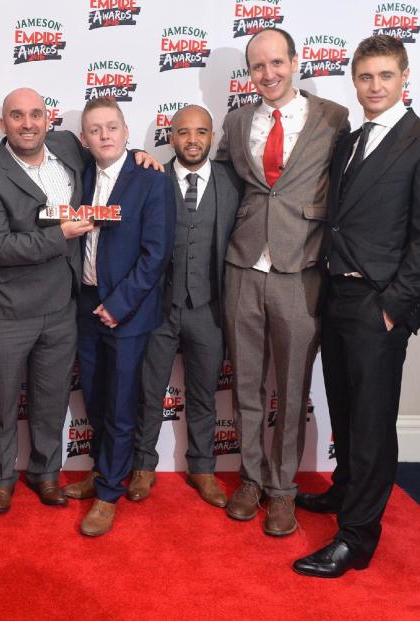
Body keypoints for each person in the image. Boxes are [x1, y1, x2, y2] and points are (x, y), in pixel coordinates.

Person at [293, 35, 420, 578]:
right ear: (355, 80)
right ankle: (345, 493)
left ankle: (357, 539)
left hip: (378, 303)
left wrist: (393, 306)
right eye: (365, 77)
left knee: (370, 422)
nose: (375, 86)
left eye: (385, 76)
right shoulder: (350, 139)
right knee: (343, 409)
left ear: (404, 76)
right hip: (336, 295)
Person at [0, 87, 160, 514]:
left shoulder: (68, 147)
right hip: (6, 313)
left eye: (36, 114)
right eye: (17, 116)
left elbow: (111, 146)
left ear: (48, 121)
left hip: (62, 309)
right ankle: (0, 480)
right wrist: (61, 235)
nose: (28, 123)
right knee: (2, 405)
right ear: (3, 125)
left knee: (51, 401)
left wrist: (143, 153)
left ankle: (45, 474)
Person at [215, 27, 350, 536]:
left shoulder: (333, 118)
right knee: (247, 384)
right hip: (244, 265)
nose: (267, 74)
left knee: (291, 390)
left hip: (302, 268)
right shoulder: (235, 120)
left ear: (295, 62)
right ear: (249, 73)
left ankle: (282, 489)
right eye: (257, 67)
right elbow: (219, 183)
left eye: (276, 63)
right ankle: (249, 479)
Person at [129, 105, 242, 507]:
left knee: (204, 394)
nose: (192, 139)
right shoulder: (148, 176)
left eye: (201, 132)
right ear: (171, 136)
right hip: (158, 307)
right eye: (183, 132)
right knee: (148, 391)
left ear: (212, 137)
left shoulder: (233, 180)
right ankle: (142, 466)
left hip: (209, 307)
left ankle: (203, 469)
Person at [68, 97, 171, 536]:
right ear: (84, 139)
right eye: (95, 129)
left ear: (127, 132)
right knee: (94, 397)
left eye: (112, 127)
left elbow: (155, 254)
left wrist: (119, 305)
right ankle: (100, 469)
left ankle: (110, 492)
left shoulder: (150, 178)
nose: (105, 135)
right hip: (85, 306)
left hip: (126, 312)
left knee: (121, 404)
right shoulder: (82, 173)